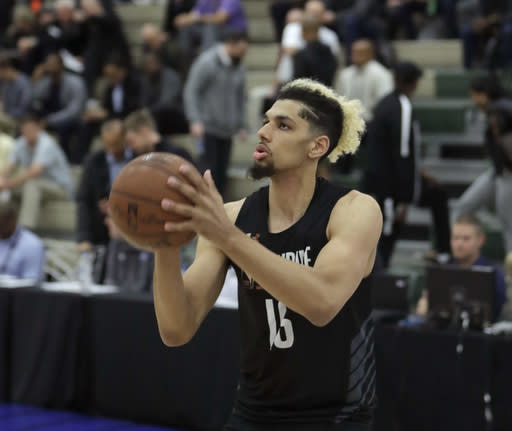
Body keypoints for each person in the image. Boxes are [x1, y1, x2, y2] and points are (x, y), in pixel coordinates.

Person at [152, 78, 381, 429]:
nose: (263, 132)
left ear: (317, 146)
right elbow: (176, 329)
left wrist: (229, 238)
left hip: (336, 417)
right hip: (254, 413)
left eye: (283, 125)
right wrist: (163, 243)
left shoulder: (354, 210)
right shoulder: (231, 216)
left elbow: (322, 303)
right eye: (265, 120)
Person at [362, 62, 451, 268]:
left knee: (437, 195)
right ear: (414, 84)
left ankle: (443, 252)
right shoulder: (402, 106)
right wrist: (404, 198)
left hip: (388, 180)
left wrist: (419, 173)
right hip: (390, 186)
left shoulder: (385, 104)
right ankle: (377, 281)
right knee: (385, 235)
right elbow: (402, 152)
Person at [452, 75, 512, 265]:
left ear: (484, 94)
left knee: (509, 225)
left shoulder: (499, 110)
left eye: (475, 96)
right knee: (463, 207)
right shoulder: (499, 108)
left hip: (508, 174)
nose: (474, 101)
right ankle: (461, 261)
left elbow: (507, 145)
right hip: (497, 172)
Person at [184, 30, 248, 197]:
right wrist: (195, 119)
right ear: (230, 44)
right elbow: (191, 91)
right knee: (209, 174)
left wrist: (241, 124)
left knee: (222, 175)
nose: (243, 55)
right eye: (241, 50)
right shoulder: (206, 63)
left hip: (227, 130)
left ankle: (220, 212)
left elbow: (241, 97)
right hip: (208, 128)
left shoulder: (239, 66)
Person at [416, 214, 507, 321]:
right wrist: (424, 305)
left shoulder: (494, 274)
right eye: (455, 238)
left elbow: (498, 313)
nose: (459, 244)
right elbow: (426, 306)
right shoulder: (442, 270)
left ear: (481, 240)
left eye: (466, 239)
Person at [0, 114, 73, 230]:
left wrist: (8, 183)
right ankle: (6, 226)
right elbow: (9, 166)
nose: (28, 132)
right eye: (25, 129)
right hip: (38, 185)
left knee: (31, 185)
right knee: (12, 189)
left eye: (31, 129)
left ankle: (26, 228)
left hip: (59, 187)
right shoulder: (20, 143)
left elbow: (35, 172)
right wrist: (2, 180)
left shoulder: (47, 143)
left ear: (38, 129)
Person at [76, 119, 132, 255]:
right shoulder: (93, 161)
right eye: (108, 144)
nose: (111, 149)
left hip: (135, 221)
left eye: (115, 144)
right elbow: (84, 200)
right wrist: (84, 238)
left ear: (125, 138)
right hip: (102, 228)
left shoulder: (140, 158)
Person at [32, 53, 87, 162]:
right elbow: (34, 99)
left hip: (68, 119)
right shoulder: (46, 81)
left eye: (52, 63)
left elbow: (74, 112)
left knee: (69, 128)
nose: (48, 66)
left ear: (61, 65)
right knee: (29, 120)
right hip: (47, 116)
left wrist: (49, 121)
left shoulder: (76, 82)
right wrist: (36, 79)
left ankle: (67, 160)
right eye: (47, 63)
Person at [336, 39, 393, 122]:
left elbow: (384, 101)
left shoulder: (381, 74)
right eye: (353, 52)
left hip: (372, 121)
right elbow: (339, 98)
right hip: (349, 122)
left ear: (370, 54)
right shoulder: (345, 74)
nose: (355, 56)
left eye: (360, 53)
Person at [0, 201, 45, 283]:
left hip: (15, 294)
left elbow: (31, 282)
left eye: (2, 224)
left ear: (12, 220)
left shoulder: (32, 245)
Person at [292, 14, 338, 86]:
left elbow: (298, 81)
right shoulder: (328, 50)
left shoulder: (300, 55)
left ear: (303, 32)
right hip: (326, 93)